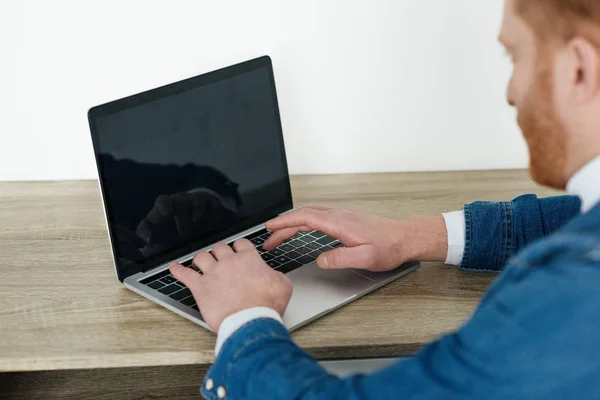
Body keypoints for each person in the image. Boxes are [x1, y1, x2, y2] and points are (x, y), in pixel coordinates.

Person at [170, 0, 600, 398]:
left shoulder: (571, 296)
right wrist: (412, 236)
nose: (511, 91)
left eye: (516, 56)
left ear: (578, 69)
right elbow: (582, 219)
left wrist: (245, 317)